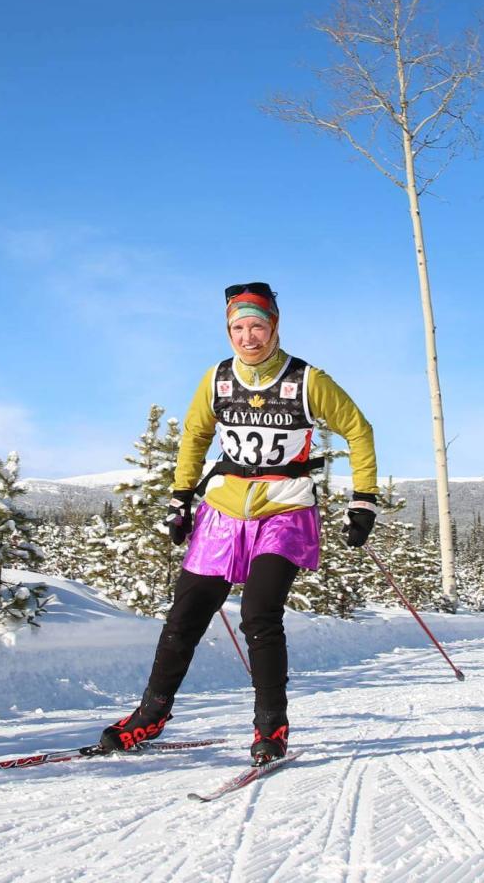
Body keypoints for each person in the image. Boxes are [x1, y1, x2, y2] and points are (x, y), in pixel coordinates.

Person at [100, 282, 378, 764]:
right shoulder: (217, 379)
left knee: (258, 614)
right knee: (185, 615)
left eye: (257, 326)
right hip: (224, 510)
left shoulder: (307, 380)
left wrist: (363, 500)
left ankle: (271, 727)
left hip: (284, 508)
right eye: (238, 328)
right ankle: (150, 715)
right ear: (228, 331)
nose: (248, 337)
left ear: (274, 326)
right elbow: (194, 437)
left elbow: (358, 428)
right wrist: (180, 498)